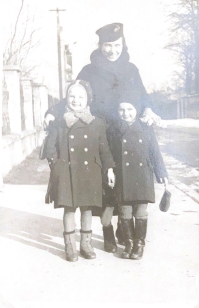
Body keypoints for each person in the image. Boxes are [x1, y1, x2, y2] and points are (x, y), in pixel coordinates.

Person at [44, 23, 162, 249]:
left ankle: (122, 229)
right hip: (98, 135)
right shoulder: (89, 71)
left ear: (123, 45)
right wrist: (52, 112)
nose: (112, 50)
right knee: (105, 186)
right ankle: (107, 230)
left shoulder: (131, 70)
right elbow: (74, 95)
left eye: (117, 45)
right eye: (108, 45)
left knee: (125, 183)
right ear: (100, 46)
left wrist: (148, 109)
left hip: (124, 135)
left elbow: (144, 97)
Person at [43, 80, 115, 262]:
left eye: (81, 96)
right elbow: (50, 147)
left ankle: (86, 244)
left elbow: (104, 149)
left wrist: (109, 169)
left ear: (88, 100)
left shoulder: (97, 123)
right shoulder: (59, 122)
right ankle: (70, 246)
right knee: (69, 208)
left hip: (90, 171)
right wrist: (56, 166)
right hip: (66, 171)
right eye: (72, 96)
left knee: (87, 208)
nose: (76, 100)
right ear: (66, 99)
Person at [104, 98, 168, 260]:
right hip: (122, 177)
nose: (126, 113)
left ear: (137, 110)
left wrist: (162, 174)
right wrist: (109, 170)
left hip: (142, 176)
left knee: (140, 211)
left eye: (130, 109)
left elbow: (155, 153)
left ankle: (139, 244)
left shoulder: (146, 129)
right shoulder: (113, 130)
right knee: (124, 211)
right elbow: (108, 153)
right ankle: (128, 243)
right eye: (121, 110)